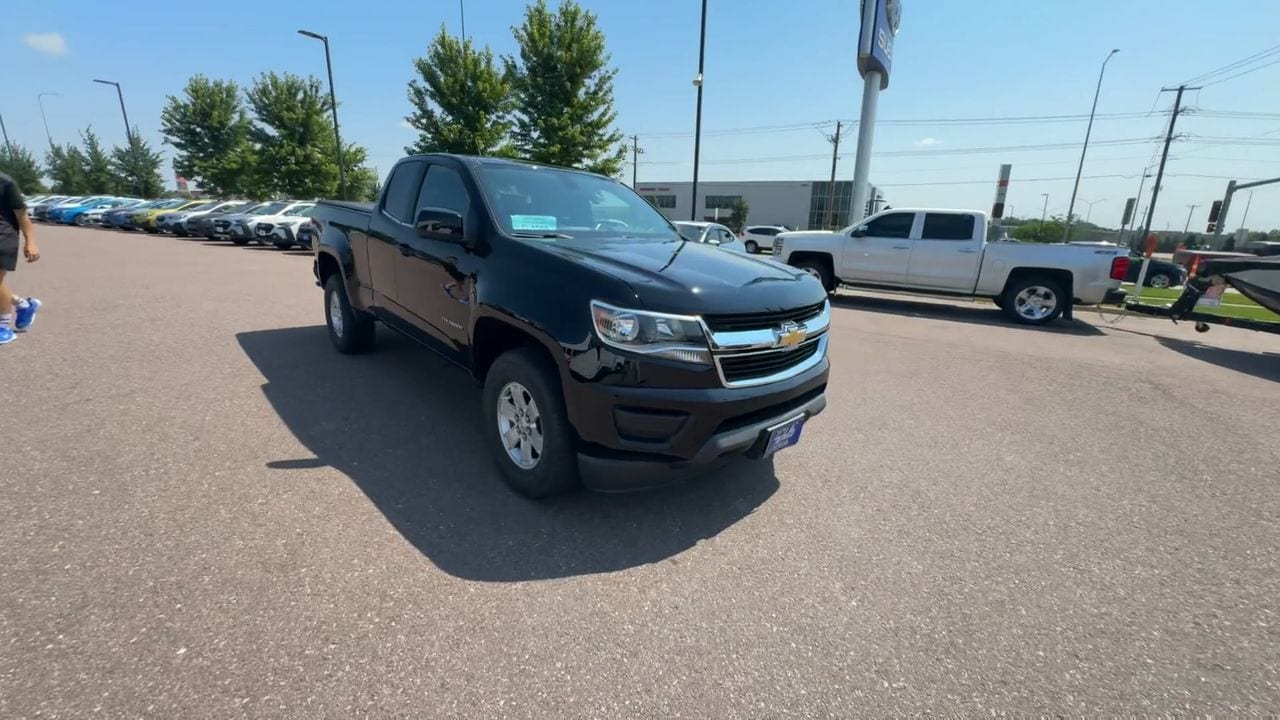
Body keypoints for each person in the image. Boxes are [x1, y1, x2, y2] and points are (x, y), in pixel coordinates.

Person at [0, 171, 41, 345]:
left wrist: (30, 242)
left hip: (4, 235)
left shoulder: (6, 182)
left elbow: (22, 215)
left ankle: (4, 328)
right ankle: (23, 305)